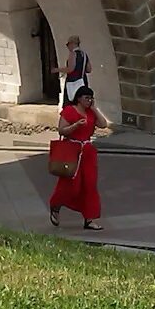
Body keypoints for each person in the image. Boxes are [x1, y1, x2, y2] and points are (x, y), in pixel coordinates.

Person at [49, 83, 108, 231]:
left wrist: (94, 108)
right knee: (70, 184)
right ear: (79, 98)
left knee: (90, 185)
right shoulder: (69, 111)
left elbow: (103, 124)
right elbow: (62, 130)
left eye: (91, 98)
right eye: (87, 98)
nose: (89, 101)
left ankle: (90, 218)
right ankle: (56, 204)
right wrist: (75, 125)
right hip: (72, 150)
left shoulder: (90, 113)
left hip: (87, 151)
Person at [62, 36, 91, 103]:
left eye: (67, 44)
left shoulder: (73, 54)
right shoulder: (84, 54)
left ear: (72, 43)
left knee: (71, 101)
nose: (67, 47)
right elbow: (89, 69)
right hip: (83, 80)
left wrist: (57, 70)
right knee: (82, 102)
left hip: (73, 81)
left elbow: (70, 69)